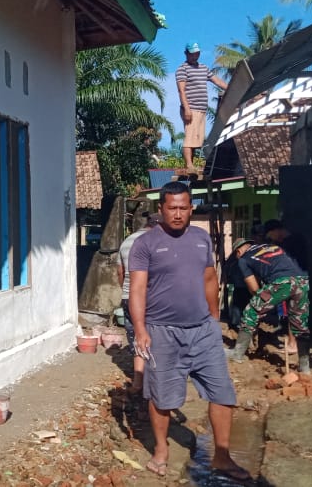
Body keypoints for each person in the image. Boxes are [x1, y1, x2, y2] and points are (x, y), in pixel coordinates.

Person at [127, 181, 249, 481]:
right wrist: (140, 329)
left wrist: (214, 319)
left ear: (191, 208)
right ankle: (161, 450)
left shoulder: (201, 238)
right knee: (161, 397)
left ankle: (222, 457)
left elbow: (209, 278)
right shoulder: (145, 244)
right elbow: (137, 290)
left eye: (183, 208)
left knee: (223, 393)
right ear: (161, 209)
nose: (178, 214)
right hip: (162, 332)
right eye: (172, 208)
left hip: (203, 331)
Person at [227, 238, 311, 375]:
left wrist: (261, 303)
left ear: (238, 252)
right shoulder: (270, 247)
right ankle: (305, 367)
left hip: (282, 282)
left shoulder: (243, 259)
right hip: (302, 280)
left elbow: (254, 288)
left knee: (251, 311)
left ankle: (237, 354)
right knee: (300, 323)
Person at [118, 211, 160, 395]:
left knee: (136, 339)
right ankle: (153, 384)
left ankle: (137, 382)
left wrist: (127, 291)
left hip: (128, 297)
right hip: (148, 297)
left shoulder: (127, 241)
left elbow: (120, 271)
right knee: (156, 339)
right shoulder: (155, 241)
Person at [176, 41, 228, 171]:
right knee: (190, 137)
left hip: (201, 109)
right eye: (192, 54)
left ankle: (192, 165)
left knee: (196, 139)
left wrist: (230, 88)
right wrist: (187, 109)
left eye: (197, 53)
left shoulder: (203, 68)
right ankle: (189, 165)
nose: (195, 56)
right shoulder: (182, 69)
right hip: (191, 108)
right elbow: (181, 90)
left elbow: (216, 80)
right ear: (186, 53)